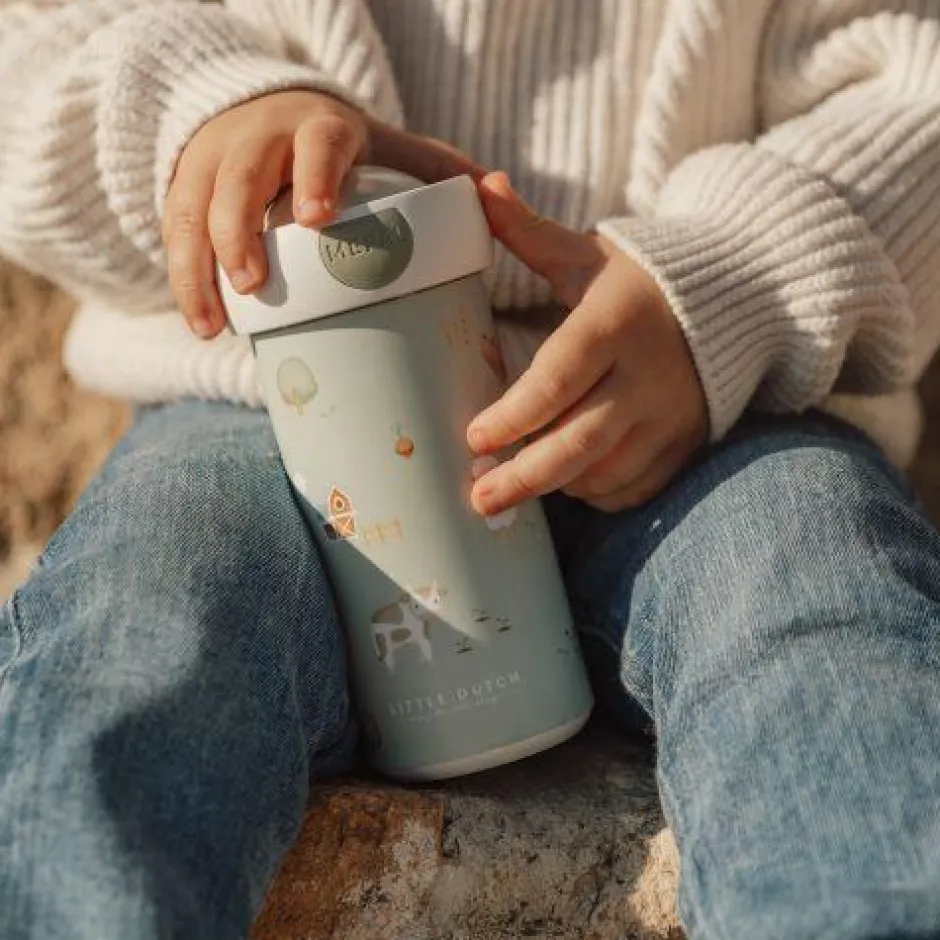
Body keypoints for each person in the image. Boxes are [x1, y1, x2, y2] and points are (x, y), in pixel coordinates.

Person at [1, 1, 939, 937]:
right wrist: (198, 112)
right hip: (263, 413)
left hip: (713, 405)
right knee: (147, 610)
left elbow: (914, 84)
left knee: (815, 584)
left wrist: (737, 271)